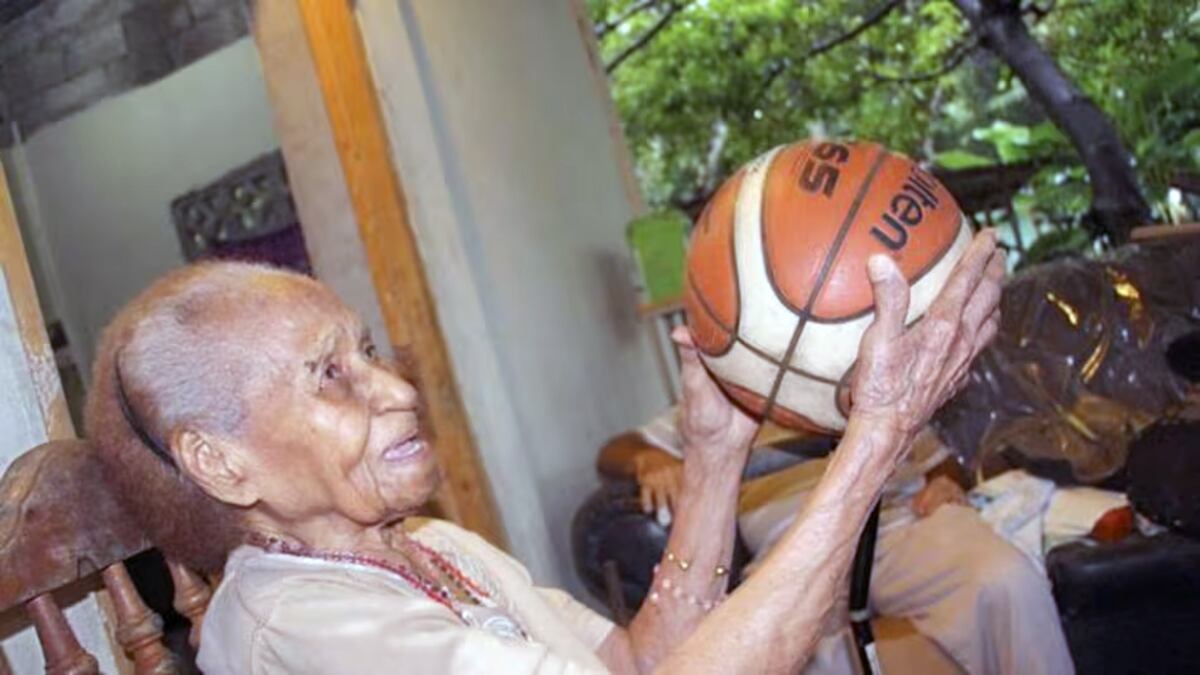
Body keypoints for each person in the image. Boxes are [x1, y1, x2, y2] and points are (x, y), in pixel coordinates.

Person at [86, 231, 1003, 674]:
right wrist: (876, 436)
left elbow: (643, 660)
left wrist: (715, 459)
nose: (397, 389)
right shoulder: (297, 624)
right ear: (221, 464)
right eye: (329, 374)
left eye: (366, 350)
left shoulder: (433, 547)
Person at [598, 415, 1074, 675]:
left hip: (896, 523)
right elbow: (618, 445)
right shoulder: (728, 392)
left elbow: (942, 461)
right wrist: (648, 460)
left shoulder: (862, 361)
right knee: (763, 654)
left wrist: (946, 484)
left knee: (1005, 578)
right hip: (790, 555)